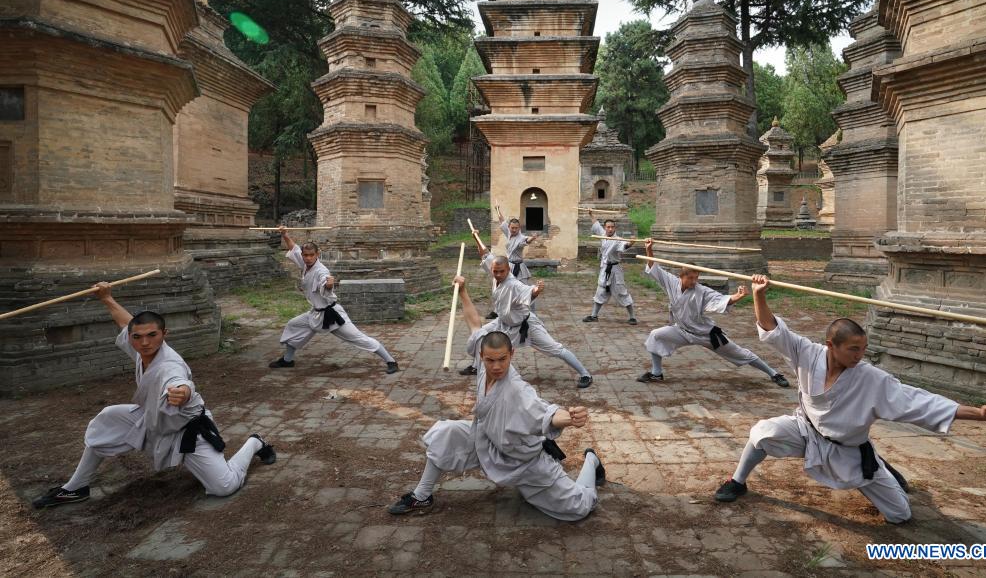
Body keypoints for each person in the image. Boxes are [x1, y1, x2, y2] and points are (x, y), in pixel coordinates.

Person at [713, 274, 986, 524]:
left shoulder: (871, 378)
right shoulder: (807, 353)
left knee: (900, 514)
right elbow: (773, 330)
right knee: (762, 432)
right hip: (807, 432)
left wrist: (979, 413)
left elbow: (921, 402)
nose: (860, 355)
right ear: (831, 345)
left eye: (863, 349)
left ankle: (879, 465)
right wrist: (759, 294)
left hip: (850, 450)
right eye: (853, 349)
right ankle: (737, 481)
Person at [32, 283, 276, 508]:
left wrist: (183, 393)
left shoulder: (170, 365)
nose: (145, 342)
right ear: (131, 337)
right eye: (137, 337)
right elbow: (126, 322)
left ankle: (255, 442)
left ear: (164, 333)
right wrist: (106, 298)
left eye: (152, 335)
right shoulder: (141, 349)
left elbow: (182, 382)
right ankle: (75, 488)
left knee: (225, 487)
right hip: (154, 419)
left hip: (187, 430)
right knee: (107, 421)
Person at [388, 277, 605, 520]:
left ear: (512, 353)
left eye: (502, 359)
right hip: (487, 440)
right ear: (481, 356)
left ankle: (591, 460)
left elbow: (547, 413)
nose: (497, 366)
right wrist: (463, 291)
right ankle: (422, 495)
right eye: (490, 360)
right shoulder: (484, 358)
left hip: (521, 459)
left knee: (578, 507)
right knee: (447, 434)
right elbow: (474, 323)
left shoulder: (517, 390)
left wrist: (570, 418)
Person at [637, 239, 789, 388]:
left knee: (740, 353)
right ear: (681, 276)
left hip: (706, 334)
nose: (694, 281)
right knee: (656, 335)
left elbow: (721, 300)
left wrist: (738, 296)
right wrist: (649, 249)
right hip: (682, 330)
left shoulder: (701, 291)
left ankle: (774, 374)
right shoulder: (671, 282)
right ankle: (656, 373)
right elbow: (653, 266)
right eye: (690, 278)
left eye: (696, 278)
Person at [460, 235, 594, 389]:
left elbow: (530, 292)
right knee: (480, 336)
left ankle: (585, 374)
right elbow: (485, 253)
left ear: (508, 270)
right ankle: (476, 366)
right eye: (495, 272)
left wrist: (538, 289)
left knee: (555, 349)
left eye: (501, 272)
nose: (498, 275)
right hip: (503, 323)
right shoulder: (495, 269)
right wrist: (476, 237)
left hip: (526, 326)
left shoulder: (514, 284)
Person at [269, 226, 398, 373]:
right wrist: (285, 234)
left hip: (331, 315)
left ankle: (391, 361)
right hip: (316, 313)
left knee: (358, 338)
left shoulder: (321, 270)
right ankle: (287, 360)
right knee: (294, 325)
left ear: (317, 254)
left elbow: (326, 283)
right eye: (305, 255)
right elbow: (294, 248)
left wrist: (329, 285)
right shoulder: (305, 264)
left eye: (311, 255)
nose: (308, 258)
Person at [583, 211, 637, 325]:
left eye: (612, 227)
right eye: (608, 227)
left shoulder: (618, 240)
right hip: (605, 269)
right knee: (600, 291)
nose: (610, 229)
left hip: (615, 270)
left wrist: (631, 243)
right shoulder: (602, 235)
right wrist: (591, 214)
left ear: (615, 228)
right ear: (605, 228)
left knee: (622, 292)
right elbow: (596, 224)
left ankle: (632, 317)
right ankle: (594, 316)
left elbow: (625, 245)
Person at [485, 206, 538, 319]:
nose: (514, 230)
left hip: (519, 267)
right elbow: (502, 221)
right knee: (500, 286)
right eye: (512, 228)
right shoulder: (508, 233)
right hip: (509, 266)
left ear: (519, 228)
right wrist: (498, 209)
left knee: (527, 289)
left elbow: (527, 240)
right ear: (509, 228)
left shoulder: (521, 237)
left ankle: (532, 313)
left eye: (516, 228)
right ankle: (497, 311)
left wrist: (532, 238)